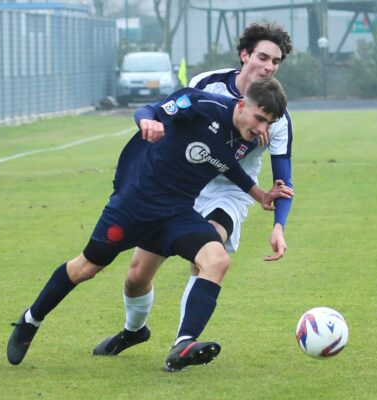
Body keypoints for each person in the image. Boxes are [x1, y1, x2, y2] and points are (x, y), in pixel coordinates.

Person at [6, 77, 293, 371]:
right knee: (86, 268)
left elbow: (224, 163)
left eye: (269, 123)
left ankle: (184, 343)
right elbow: (148, 110)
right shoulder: (201, 104)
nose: (262, 129)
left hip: (178, 213)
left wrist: (258, 194)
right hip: (134, 206)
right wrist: (149, 123)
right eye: (259, 118)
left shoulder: (248, 137)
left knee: (216, 260)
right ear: (242, 105)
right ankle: (31, 320)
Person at [92, 23, 294, 367]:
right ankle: (133, 330)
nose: (269, 66)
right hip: (180, 186)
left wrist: (279, 225)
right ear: (245, 55)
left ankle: (184, 343)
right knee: (137, 275)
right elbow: (166, 123)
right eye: (263, 56)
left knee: (207, 253)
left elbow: (283, 180)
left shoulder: (277, 117)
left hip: (229, 192)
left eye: (276, 61)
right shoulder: (207, 84)